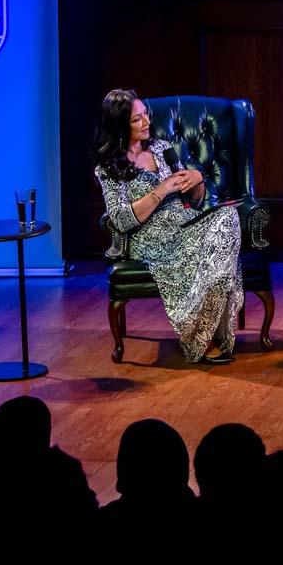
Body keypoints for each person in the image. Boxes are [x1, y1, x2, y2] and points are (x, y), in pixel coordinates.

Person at [93, 89, 243, 364]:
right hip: (150, 237)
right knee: (216, 241)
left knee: (228, 216)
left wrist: (196, 179)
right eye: (137, 119)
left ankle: (200, 321)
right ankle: (199, 336)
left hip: (183, 223)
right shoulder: (109, 168)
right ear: (120, 126)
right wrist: (160, 191)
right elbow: (120, 220)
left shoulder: (162, 149)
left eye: (145, 114)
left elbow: (195, 201)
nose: (147, 121)